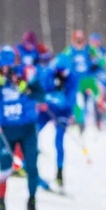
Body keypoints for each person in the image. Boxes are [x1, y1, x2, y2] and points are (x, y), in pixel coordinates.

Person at [0, 45, 46, 210]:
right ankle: (0, 204)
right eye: (3, 66)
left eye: (10, 65)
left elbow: (40, 95)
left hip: (27, 128)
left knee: (32, 166)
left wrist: (24, 86)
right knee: (4, 169)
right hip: (6, 130)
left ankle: (32, 203)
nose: (6, 69)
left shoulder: (26, 72)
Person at [38, 54, 76, 189]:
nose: (60, 74)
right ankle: (29, 166)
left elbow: (70, 99)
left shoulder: (71, 78)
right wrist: (42, 100)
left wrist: (69, 113)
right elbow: (41, 90)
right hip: (45, 110)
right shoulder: (48, 73)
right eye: (57, 71)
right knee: (33, 133)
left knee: (59, 140)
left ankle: (60, 171)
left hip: (62, 112)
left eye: (63, 72)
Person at [59, 30, 103, 132]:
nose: (79, 42)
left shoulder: (89, 49)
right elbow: (60, 62)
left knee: (99, 99)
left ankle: (101, 121)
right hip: (76, 82)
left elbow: (102, 60)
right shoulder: (69, 50)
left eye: (81, 40)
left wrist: (96, 65)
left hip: (89, 80)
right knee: (79, 103)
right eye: (77, 40)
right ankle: (80, 123)